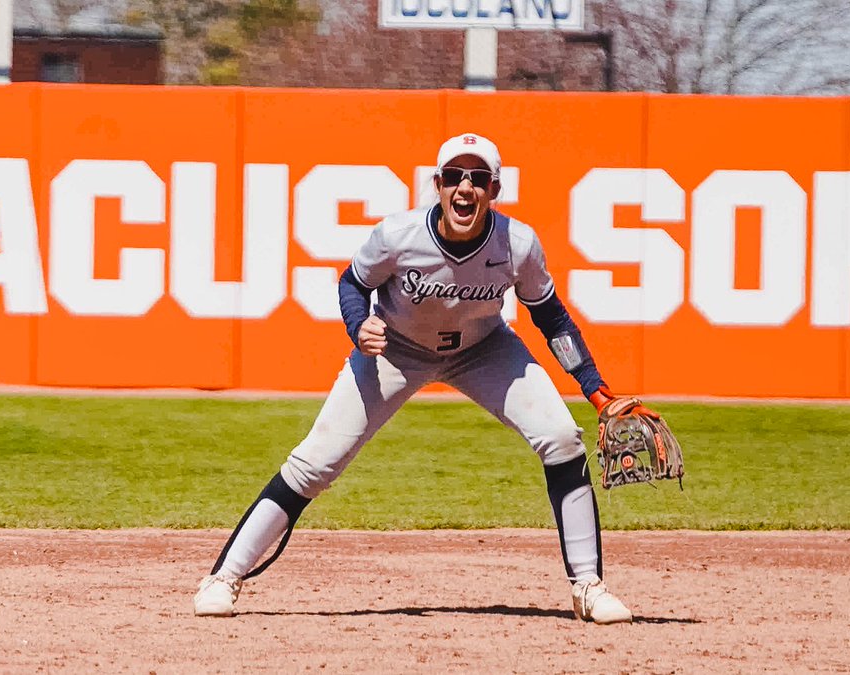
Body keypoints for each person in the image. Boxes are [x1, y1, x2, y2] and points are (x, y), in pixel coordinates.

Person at [194, 132, 642, 624]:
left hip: (483, 348)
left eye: (478, 178)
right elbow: (353, 283)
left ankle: (588, 587)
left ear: (494, 190)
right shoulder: (398, 235)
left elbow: (552, 318)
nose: (465, 188)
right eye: (454, 177)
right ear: (438, 184)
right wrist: (358, 325)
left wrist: (596, 390)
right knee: (314, 464)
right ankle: (223, 578)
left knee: (561, 438)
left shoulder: (517, 243)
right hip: (397, 349)